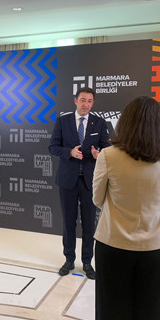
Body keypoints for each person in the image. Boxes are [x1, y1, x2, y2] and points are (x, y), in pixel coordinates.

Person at [92, 96, 160, 320]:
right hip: (157, 247)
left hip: (113, 244)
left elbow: (97, 198)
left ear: (125, 122)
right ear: (159, 124)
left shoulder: (108, 155)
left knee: (111, 319)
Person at [49, 87, 110, 279]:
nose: (86, 104)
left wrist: (99, 154)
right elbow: (52, 147)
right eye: (83, 100)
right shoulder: (63, 121)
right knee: (68, 221)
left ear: (93, 103)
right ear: (75, 100)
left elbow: (107, 147)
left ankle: (87, 262)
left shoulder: (99, 122)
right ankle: (69, 260)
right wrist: (69, 152)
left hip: (90, 181)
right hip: (67, 180)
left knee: (89, 223)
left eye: (90, 101)